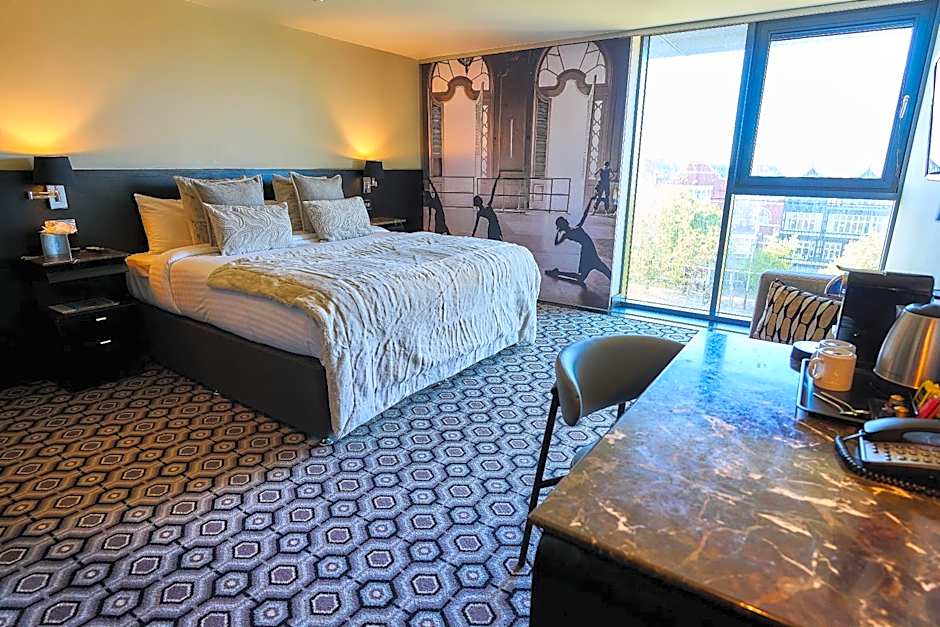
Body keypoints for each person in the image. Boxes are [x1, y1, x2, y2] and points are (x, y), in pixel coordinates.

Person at [545, 197, 612, 287]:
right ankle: (557, 273)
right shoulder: (570, 232)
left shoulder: (574, 229)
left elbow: (585, 214)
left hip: (587, 251)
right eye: (564, 220)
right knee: (597, 271)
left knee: (583, 276)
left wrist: (590, 201)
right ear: (563, 224)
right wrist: (558, 232)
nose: (566, 220)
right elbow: (556, 243)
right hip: (588, 252)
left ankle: (557, 273)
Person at [471, 175, 503, 241]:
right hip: (493, 227)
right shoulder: (486, 208)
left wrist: (496, 180)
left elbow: (493, 192)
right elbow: (476, 226)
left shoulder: (485, 209)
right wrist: (472, 235)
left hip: (494, 227)